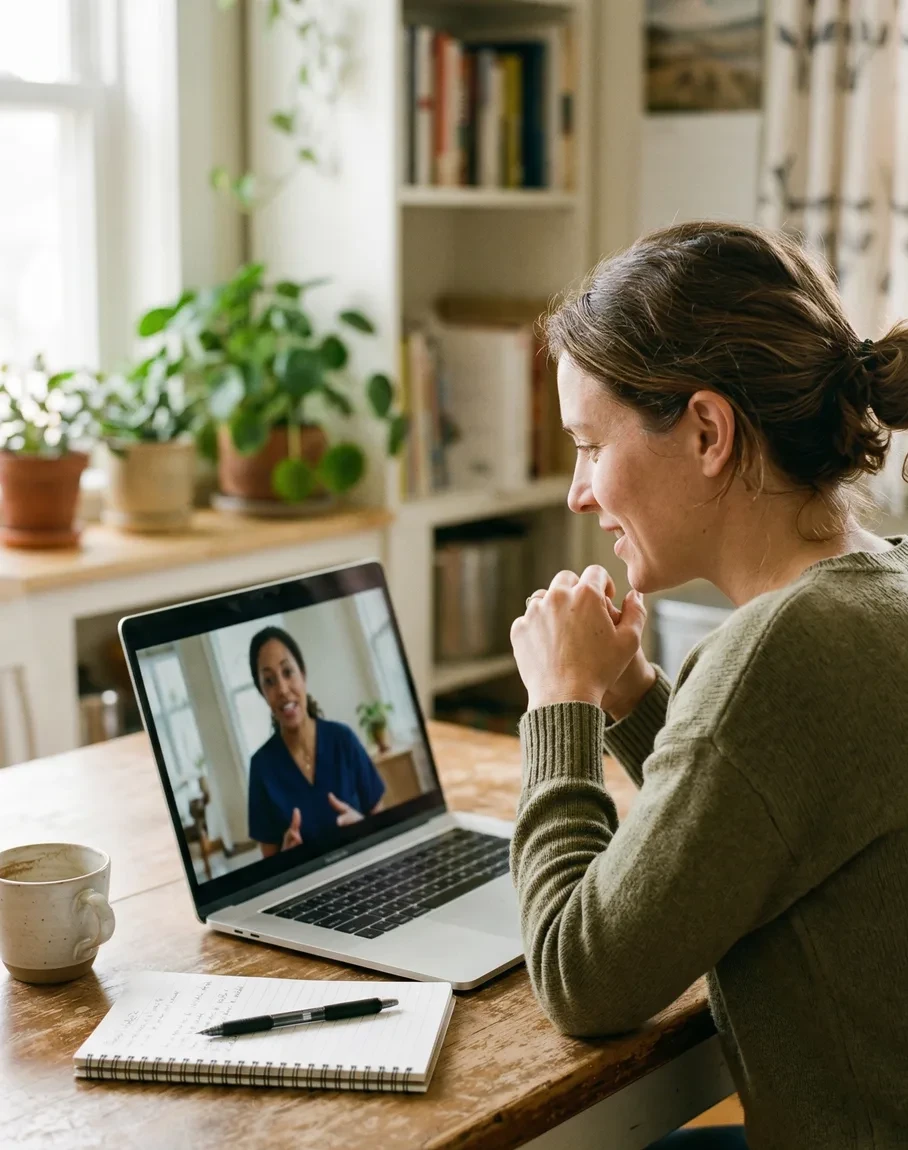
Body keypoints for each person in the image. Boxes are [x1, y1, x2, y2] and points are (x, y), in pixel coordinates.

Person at [508, 221, 908, 1149]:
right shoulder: (878, 589)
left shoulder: (782, 652)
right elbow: (765, 818)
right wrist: (632, 696)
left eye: (588, 446)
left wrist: (559, 705)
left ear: (706, 431)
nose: (577, 493)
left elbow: (580, 978)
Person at [246, 626, 385, 858]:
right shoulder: (261, 768)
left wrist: (363, 827)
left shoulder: (343, 739)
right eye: (269, 681)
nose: (282, 689)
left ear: (303, 674)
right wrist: (286, 859)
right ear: (263, 693)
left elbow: (384, 828)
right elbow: (269, 869)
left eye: (287, 672)